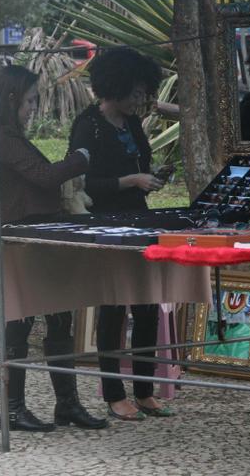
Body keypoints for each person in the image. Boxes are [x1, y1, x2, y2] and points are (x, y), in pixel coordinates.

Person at [0, 65, 107, 432]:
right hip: (21, 241)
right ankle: (13, 410)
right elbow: (44, 176)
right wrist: (81, 158)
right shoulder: (2, 139)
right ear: (12, 99)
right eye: (30, 100)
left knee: (60, 322)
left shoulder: (6, 136)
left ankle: (67, 405)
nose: (33, 108)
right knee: (19, 326)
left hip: (37, 238)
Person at [68, 47, 174, 421]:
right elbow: (80, 183)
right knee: (113, 307)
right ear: (115, 87)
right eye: (135, 92)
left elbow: (139, 163)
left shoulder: (130, 123)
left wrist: (148, 178)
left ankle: (144, 389)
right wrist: (130, 180)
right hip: (105, 222)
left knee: (146, 305)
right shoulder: (88, 125)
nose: (139, 100)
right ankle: (114, 393)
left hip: (137, 218)